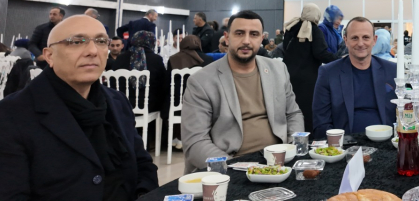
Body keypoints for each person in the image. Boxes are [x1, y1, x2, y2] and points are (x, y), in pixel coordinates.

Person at [0, 15, 158, 199]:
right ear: (49, 55)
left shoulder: (117, 101)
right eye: (76, 42)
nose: (92, 51)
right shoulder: (13, 114)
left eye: (101, 41)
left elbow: (143, 164)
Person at [181, 10, 303, 172]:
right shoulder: (201, 81)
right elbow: (195, 141)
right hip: (230, 165)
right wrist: (233, 168)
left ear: (261, 39)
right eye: (239, 33)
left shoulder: (278, 70)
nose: (246, 41)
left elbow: (293, 114)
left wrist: (293, 150)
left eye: (254, 34)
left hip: (279, 162)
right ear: (227, 37)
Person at [312, 17, 397, 138]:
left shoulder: (392, 71)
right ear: (346, 40)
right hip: (345, 144)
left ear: (374, 40)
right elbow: (321, 122)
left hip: (386, 142)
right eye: (355, 38)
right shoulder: (328, 73)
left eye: (366, 37)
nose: (360, 43)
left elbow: (405, 114)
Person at [282, 3, 336, 132]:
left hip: (288, 75)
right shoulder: (314, 30)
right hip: (308, 79)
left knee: (291, 108)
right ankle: (307, 136)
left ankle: (291, 134)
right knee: (306, 110)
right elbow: (320, 53)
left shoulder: (291, 27)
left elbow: (284, 48)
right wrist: (339, 59)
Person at [111, 31, 167, 114]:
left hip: (122, 104)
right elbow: (164, 84)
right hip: (148, 105)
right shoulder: (156, 59)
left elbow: (113, 82)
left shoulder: (120, 58)